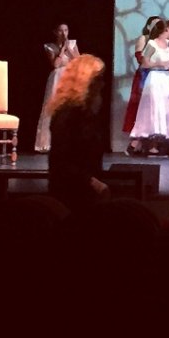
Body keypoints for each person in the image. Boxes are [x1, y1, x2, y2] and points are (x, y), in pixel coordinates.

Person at [47, 53, 109, 211]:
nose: (102, 85)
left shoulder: (87, 114)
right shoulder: (67, 114)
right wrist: (92, 182)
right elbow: (61, 161)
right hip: (70, 194)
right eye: (98, 80)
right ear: (86, 82)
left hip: (86, 190)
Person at [130, 18, 169, 155]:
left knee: (165, 108)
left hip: (166, 79)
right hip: (154, 78)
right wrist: (160, 63)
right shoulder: (152, 44)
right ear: (164, 30)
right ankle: (143, 143)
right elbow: (144, 64)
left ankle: (157, 145)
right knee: (154, 108)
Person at [35, 23, 79, 153]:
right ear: (55, 32)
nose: (64, 33)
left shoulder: (72, 44)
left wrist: (68, 48)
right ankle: (47, 143)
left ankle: (71, 143)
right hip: (57, 78)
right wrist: (62, 49)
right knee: (53, 109)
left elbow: (78, 60)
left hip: (70, 78)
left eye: (66, 30)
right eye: (60, 31)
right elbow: (56, 64)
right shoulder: (49, 47)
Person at [123, 15, 161, 156]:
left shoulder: (162, 41)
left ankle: (152, 144)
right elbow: (140, 58)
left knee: (156, 109)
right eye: (154, 24)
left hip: (158, 77)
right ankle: (135, 143)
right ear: (148, 26)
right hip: (144, 76)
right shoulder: (144, 39)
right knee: (141, 108)